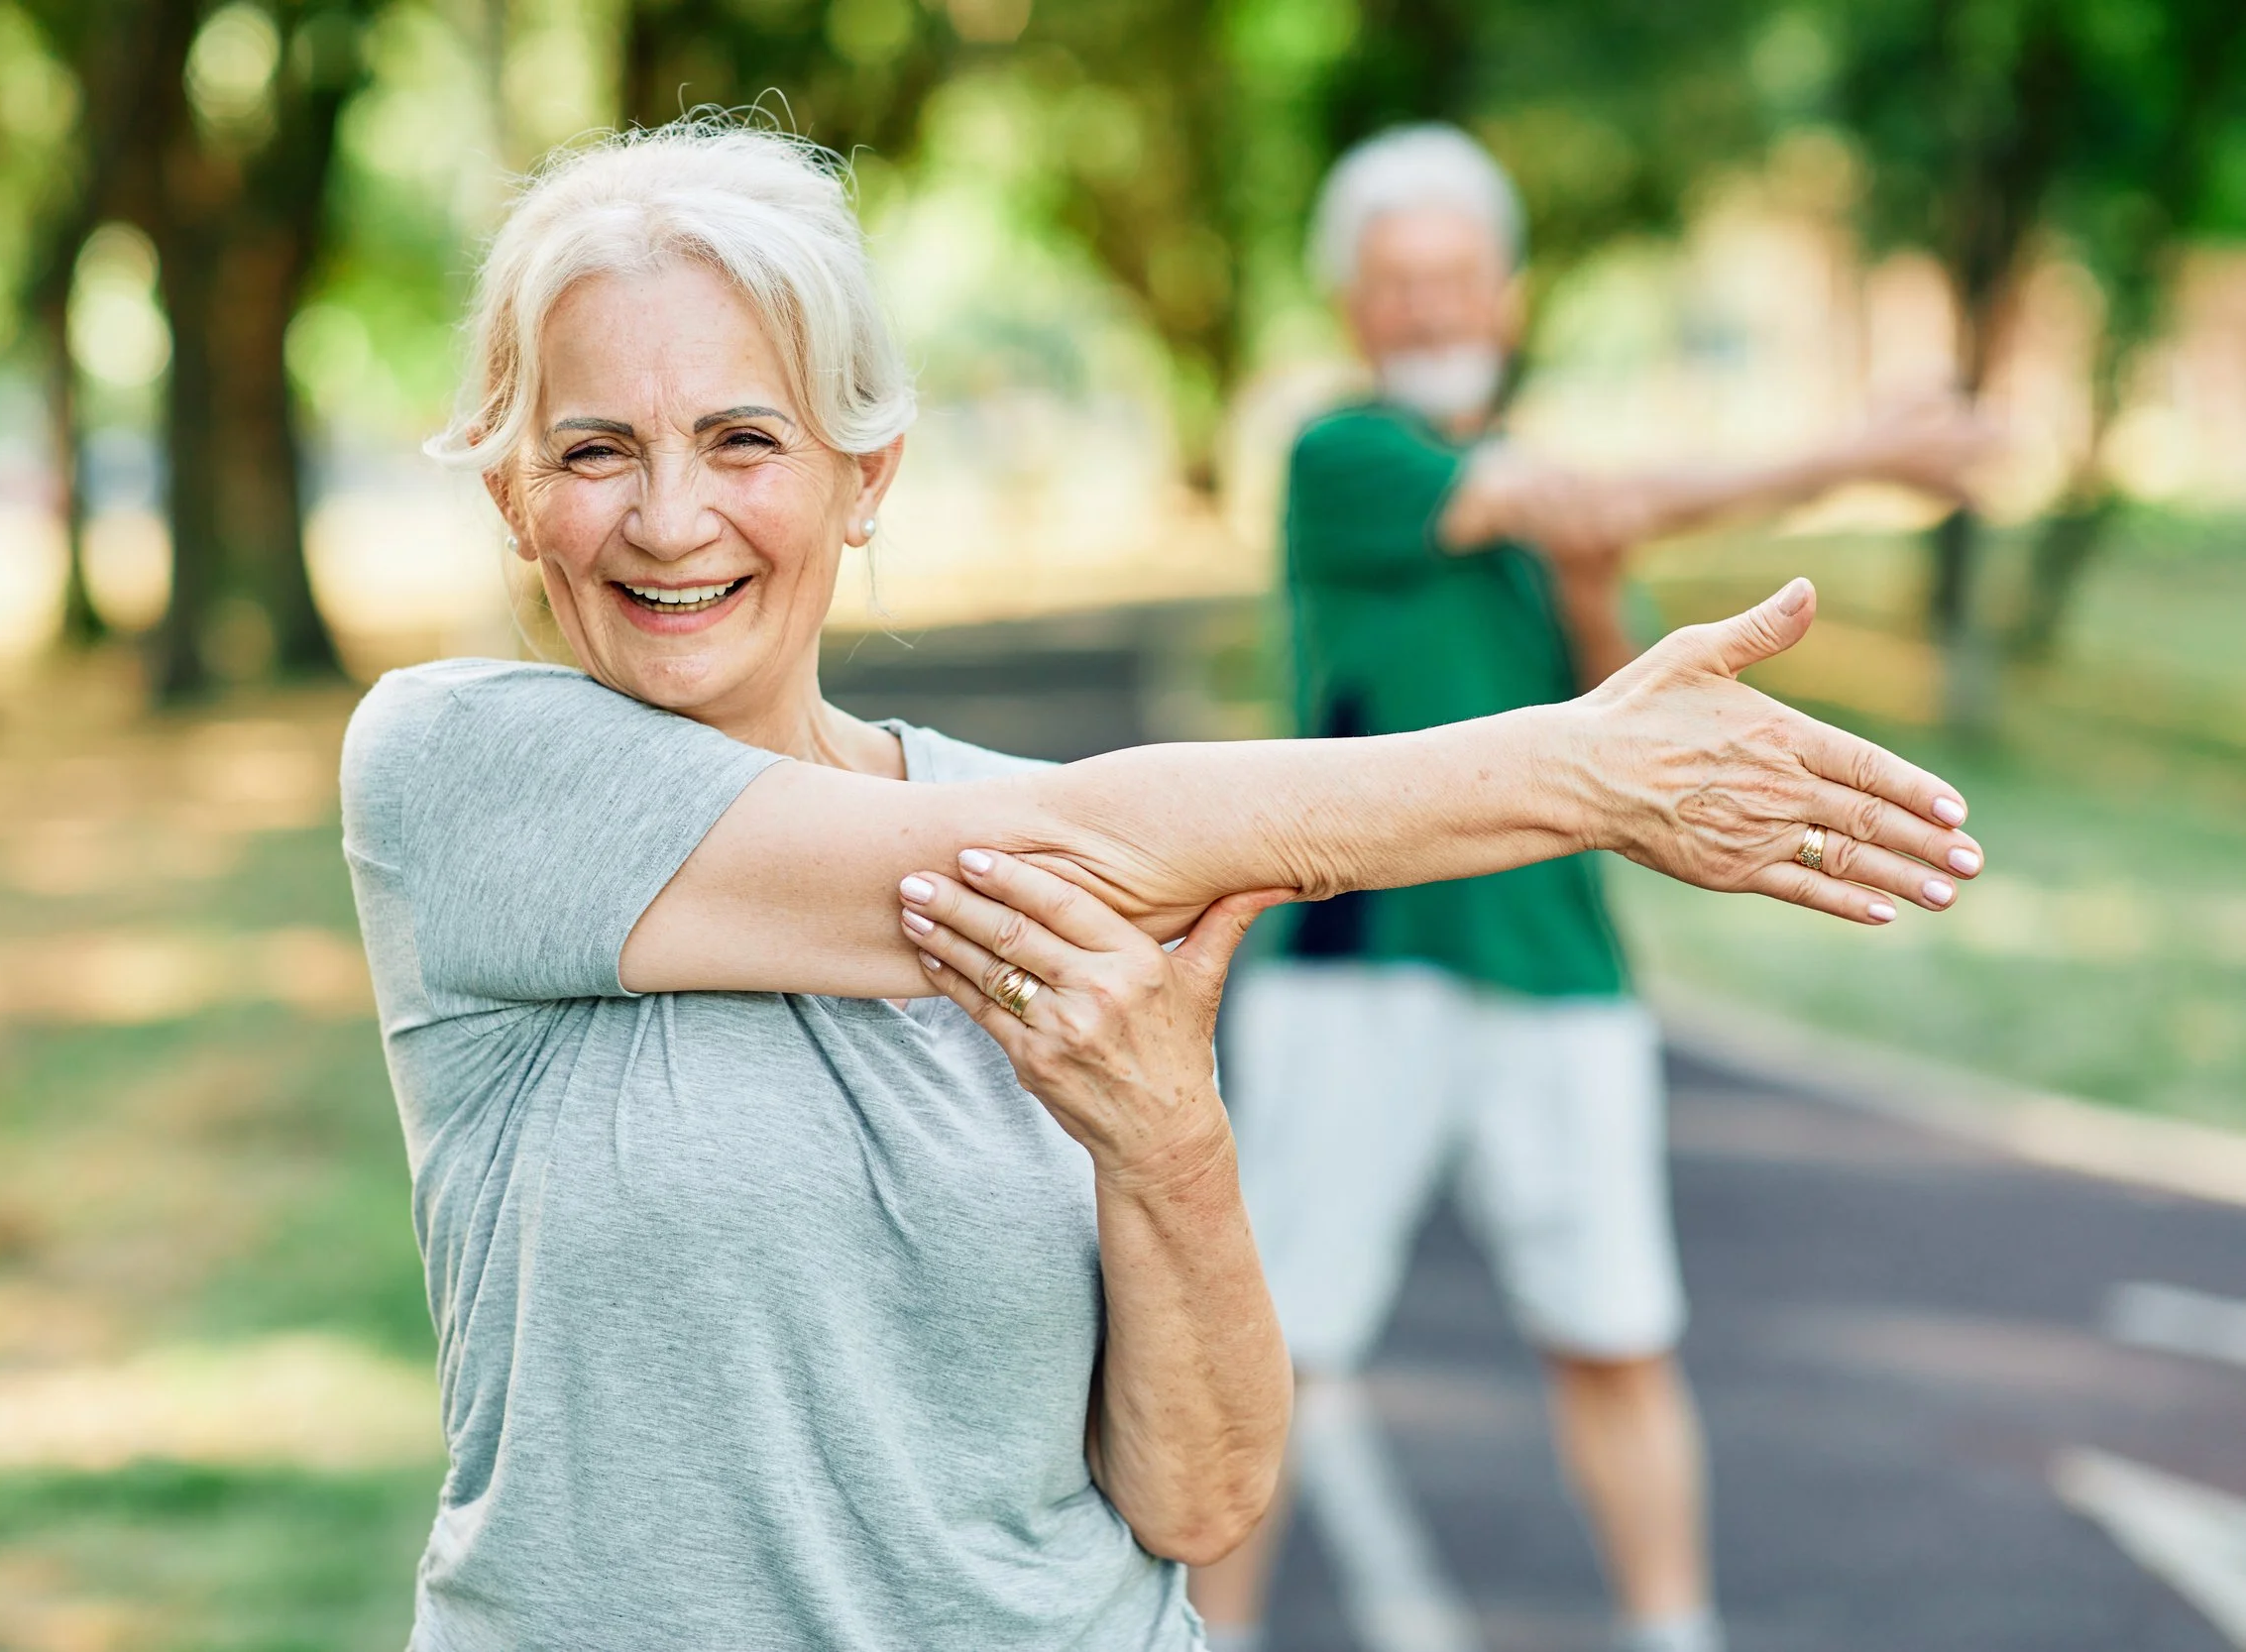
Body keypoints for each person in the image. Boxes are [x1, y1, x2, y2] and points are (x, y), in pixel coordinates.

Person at [339, 117, 1983, 1651]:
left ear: (868, 474)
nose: (670, 515)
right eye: (596, 449)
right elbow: (1068, 850)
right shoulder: (460, 770)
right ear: (512, 492)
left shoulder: (1038, 829)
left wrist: (1171, 1139)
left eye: (742, 437)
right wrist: (1581, 773)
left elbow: (1195, 1498)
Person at [1185, 126, 1995, 1652]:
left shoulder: (1566, 504)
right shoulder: (1342, 459)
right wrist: (1850, 456)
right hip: (1360, 965)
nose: (1427, 308)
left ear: (1508, 295)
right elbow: (1554, 496)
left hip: (1559, 970)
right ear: (1351, 305)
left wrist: (1591, 559)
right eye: (1395, 280)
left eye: (1455, 278)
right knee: (1276, 1353)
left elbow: (1610, 681)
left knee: (1618, 1339)